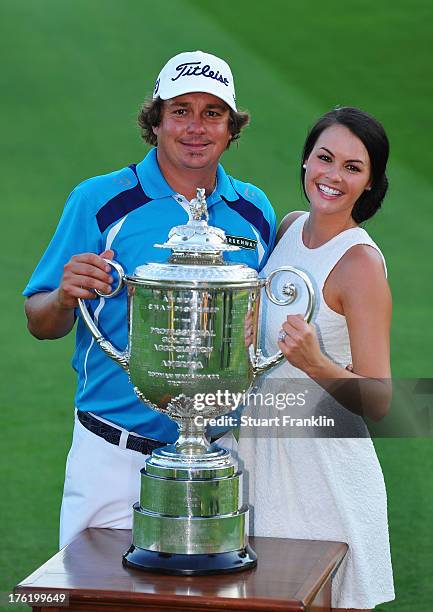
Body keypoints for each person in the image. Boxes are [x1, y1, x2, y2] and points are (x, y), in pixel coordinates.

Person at [23, 50, 276, 549]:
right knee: (90, 600)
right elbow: (39, 320)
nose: (196, 128)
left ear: (230, 128)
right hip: (112, 453)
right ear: (155, 121)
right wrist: (65, 297)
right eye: (181, 111)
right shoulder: (99, 200)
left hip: (218, 456)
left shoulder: (254, 210)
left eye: (213, 113)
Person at [239, 107, 395, 611]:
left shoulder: (361, 265)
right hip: (263, 456)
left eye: (354, 167)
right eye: (325, 158)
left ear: (370, 184)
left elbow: (380, 400)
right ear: (306, 160)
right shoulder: (288, 227)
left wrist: (315, 362)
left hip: (323, 471)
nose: (333, 176)